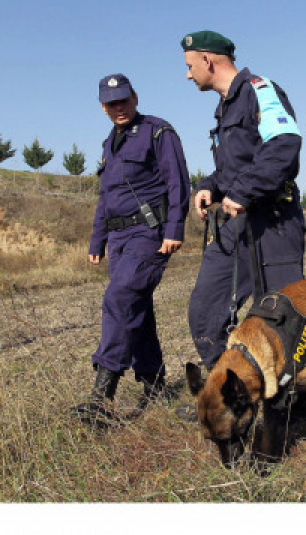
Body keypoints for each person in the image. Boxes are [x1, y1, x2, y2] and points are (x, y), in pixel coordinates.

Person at [181, 30, 306, 370]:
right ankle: (231, 389)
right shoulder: (224, 109)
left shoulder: (259, 90)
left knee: (280, 314)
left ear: (208, 61)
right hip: (239, 224)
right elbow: (232, 170)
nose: (188, 74)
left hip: (275, 222)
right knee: (205, 310)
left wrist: (242, 192)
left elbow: (284, 145)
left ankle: (290, 397)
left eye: (191, 66)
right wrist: (210, 186)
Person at [72, 73, 190, 425]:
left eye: (123, 100)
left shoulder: (158, 132)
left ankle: (101, 398)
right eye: (111, 103)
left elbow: (177, 182)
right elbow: (106, 197)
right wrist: (98, 239)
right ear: (102, 107)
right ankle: (154, 384)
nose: (118, 107)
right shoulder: (110, 143)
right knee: (136, 307)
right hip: (119, 239)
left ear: (135, 99)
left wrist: (174, 229)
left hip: (149, 233)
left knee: (120, 298)